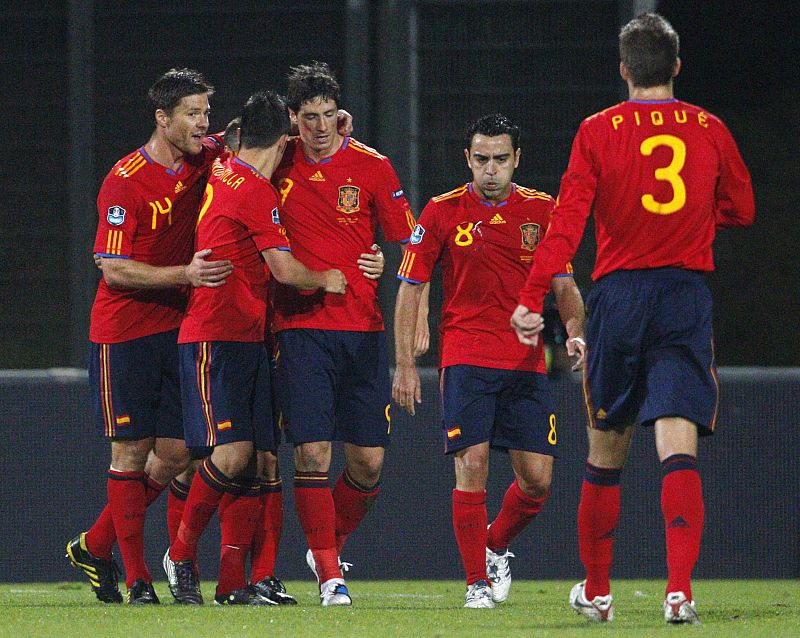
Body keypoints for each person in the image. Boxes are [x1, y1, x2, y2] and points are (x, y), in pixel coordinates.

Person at [511, 13, 755, 625]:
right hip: (683, 294)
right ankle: (680, 592)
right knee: (678, 442)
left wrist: (531, 294)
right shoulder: (708, 128)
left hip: (618, 299)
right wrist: (695, 222)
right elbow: (743, 208)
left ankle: (597, 593)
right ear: (676, 66)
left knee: (605, 448)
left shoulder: (598, 131)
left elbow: (566, 223)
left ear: (623, 69)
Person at [165, 89, 350, 606]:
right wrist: (328, 279)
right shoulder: (254, 192)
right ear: (287, 132)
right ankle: (180, 556)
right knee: (231, 453)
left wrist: (340, 128)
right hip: (214, 337)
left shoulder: (225, 163)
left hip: (248, 338)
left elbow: (226, 134)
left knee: (261, 461)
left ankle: (235, 583)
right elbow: (285, 271)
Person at [393, 113, 586, 609]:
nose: (491, 169)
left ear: (517, 159)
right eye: (482, 159)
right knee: (471, 464)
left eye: (501, 159)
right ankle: (476, 583)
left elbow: (565, 286)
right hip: (465, 355)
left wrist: (576, 333)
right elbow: (410, 287)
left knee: (537, 481)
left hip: (525, 362)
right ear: (468, 159)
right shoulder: (440, 212)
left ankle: (494, 547)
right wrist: (406, 365)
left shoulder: (543, 211)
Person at [66, 68, 233, 604]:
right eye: (192, 113)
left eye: (205, 113)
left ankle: (95, 543)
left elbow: (258, 137)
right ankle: (137, 578)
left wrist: (332, 132)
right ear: (163, 119)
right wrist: (183, 275)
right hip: (125, 334)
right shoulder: (125, 180)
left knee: (181, 448)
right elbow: (113, 267)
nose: (202, 123)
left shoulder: (206, 156)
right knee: (131, 451)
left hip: (179, 332)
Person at [271, 60, 423, 606]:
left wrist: (416, 310)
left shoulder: (372, 166)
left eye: (329, 116)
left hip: (363, 332)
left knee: (368, 462)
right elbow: (223, 144)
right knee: (312, 453)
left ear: (342, 117)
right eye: (308, 117)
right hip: (301, 327)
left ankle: (326, 544)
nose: (320, 127)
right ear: (292, 119)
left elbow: (413, 245)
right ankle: (331, 575)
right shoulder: (277, 157)